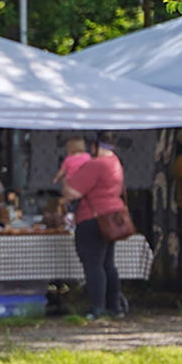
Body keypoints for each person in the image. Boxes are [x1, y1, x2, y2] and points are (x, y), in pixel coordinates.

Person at [62, 135, 129, 318]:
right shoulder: (115, 162)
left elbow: (72, 192)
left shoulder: (96, 165)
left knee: (93, 264)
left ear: (94, 146)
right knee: (108, 264)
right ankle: (114, 307)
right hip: (111, 217)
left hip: (92, 218)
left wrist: (67, 179)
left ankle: (97, 307)